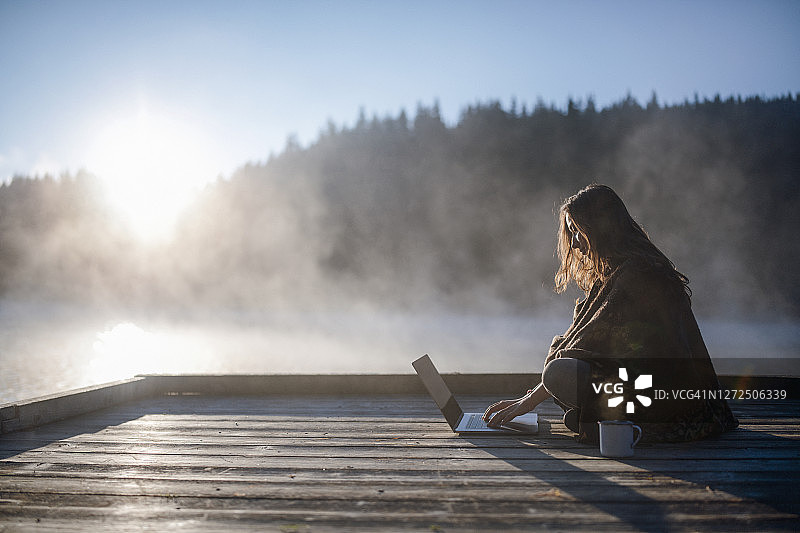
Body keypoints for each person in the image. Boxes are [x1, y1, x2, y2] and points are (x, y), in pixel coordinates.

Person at [483, 184, 738, 443]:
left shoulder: (639, 274)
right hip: (642, 385)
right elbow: (582, 344)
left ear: (599, 228)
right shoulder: (616, 272)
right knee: (560, 374)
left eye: (577, 232)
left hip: (669, 398)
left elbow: (589, 346)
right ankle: (607, 419)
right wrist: (527, 399)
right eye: (570, 233)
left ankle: (624, 423)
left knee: (558, 374)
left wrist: (527, 403)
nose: (573, 243)